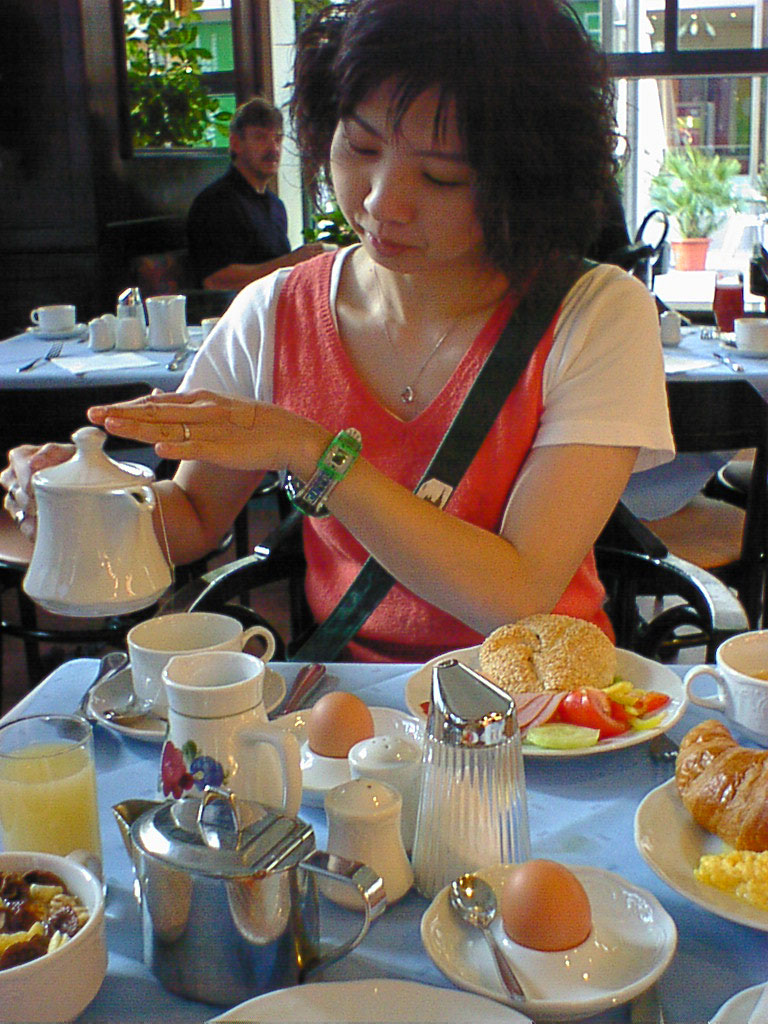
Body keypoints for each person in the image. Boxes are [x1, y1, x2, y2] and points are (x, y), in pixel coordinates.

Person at [2, 0, 674, 664]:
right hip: (346, 703)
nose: (382, 201)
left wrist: (313, 452)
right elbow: (193, 515)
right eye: (360, 146)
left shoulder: (596, 312)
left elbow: (517, 593)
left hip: (547, 700)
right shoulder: (275, 312)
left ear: (523, 182)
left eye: (441, 176)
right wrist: (72, 499)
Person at [186, 96, 329, 291]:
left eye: (278, 139)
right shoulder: (215, 203)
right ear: (235, 143)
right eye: (260, 137)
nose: (273, 148)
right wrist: (291, 262)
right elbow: (216, 280)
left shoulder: (275, 205)